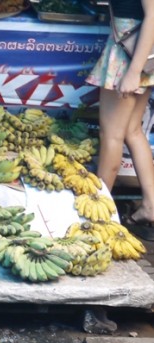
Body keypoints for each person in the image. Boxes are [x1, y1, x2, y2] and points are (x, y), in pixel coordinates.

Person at [86, 0, 154, 239]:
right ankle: (151, 206)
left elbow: (153, 15)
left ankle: (98, 213)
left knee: (112, 134)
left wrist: (133, 73)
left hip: (129, 55)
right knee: (132, 131)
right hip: (138, 52)